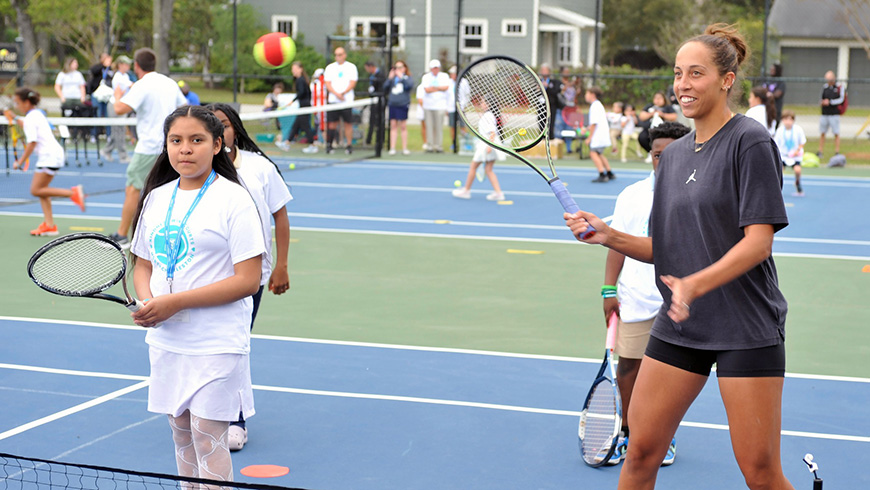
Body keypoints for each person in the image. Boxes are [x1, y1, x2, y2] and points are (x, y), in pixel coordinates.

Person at [565, 23, 794, 490]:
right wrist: (609, 235)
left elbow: (759, 242)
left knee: (760, 472)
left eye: (696, 73)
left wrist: (694, 284)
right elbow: (666, 248)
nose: (683, 84)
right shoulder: (670, 159)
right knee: (640, 453)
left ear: (727, 79)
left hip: (744, 327)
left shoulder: (749, 141)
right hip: (680, 326)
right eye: (677, 73)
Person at [129, 105, 265, 483]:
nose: (185, 149)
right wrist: (148, 301)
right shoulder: (156, 197)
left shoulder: (234, 199)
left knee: (207, 436)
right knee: (181, 434)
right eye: (176, 140)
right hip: (168, 340)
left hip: (216, 340)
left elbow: (248, 280)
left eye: (196, 140)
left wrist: (173, 302)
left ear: (217, 145)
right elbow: (143, 265)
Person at [602, 121, 691, 467]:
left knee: (673, 377)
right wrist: (609, 289)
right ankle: (627, 432)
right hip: (636, 298)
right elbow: (616, 244)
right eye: (656, 155)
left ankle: (663, 436)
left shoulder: (697, 194)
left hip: (678, 303)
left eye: (670, 155)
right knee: (628, 368)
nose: (662, 162)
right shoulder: (632, 195)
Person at [208, 103, 293, 451]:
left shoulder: (259, 167)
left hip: (248, 277)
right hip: (203, 275)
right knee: (207, 346)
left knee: (233, 345)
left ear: (235, 129)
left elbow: (280, 216)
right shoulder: (195, 171)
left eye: (224, 125)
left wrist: (281, 265)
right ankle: (205, 412)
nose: (219, 131)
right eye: (210, 126)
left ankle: (236, 419)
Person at [109, 48, 187, 249]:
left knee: (133, 188)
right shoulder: (169, 83)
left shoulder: (142, 85)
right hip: (170, 146)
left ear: (136, 66)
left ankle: (122, 235)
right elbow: (184, 107)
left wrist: (117, 95)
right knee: (168, 190)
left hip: (149, 147)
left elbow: (119, 109)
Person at [4, 87, 86, 236]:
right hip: (52, 155)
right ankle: (50, 225)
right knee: (42, 190)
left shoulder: (31, 117)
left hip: (49, 156)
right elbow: (26, 125)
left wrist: (20, 161)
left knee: (36, 190)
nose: (16, 106)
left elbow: (32, 143)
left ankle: (72, 193)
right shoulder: (36, 114)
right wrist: (14, 117)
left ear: (26, 102)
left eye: (18, 103)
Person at [451, 95, 506, 201]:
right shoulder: (490, 115)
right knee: (488, 170)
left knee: (473, 167)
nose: (481, 104)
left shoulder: (488, 116)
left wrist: (489, 146)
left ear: (488, 104)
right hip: (489, 144)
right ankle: (498, 193)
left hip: (487, 145)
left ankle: (466, 190)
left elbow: (492, 132)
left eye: (483, 102)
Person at [323, 46, 358, 154]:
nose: (338, 57)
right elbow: (328, 83)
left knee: (348, 124)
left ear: (344, 55)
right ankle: (329, 145)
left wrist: (343, 93)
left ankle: (349, 145)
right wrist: (337, 94)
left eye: (340, 54)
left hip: (346, 101)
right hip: (334, 101)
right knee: (332, 124)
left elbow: (353, 82)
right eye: (336, 55)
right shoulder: (330, 68)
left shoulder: (351, 67)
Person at [101, 55, 134, 163]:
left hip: (122, 105)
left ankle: (107, 150)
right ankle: (123, 156)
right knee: (119, 131)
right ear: (120, 65)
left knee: (118, 130)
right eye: (126, 64)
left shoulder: (126, 76)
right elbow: (132, 86)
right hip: (115, 106)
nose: (128, 66)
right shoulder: (118, 77)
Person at [283, 62, 317, 152]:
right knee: (296, 125)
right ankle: (287, 143)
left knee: (306, 126)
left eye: (295, 69)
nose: (293, 71)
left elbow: (301, 93)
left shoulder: (300, 80)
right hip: (303, 106)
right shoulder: (301, 80)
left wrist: (292, 100)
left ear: (300, 69)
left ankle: (313, 145)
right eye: (292, 69)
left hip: (305, 107)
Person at [383, 60, 414, 155]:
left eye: (400, 67)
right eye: (396, 67)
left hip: (403, 104)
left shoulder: (407, 77)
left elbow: (410, 86)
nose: (398, 69)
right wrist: (389, 78)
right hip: (393, 104)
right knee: (393, 125)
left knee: (403, 126)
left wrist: (402, 77)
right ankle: (392, 148)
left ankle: (404, 148)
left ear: (404, 68)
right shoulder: (392, 79)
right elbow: (384, 87)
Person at [773, 110, 806, 197]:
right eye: (786, 119)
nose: (788, 122)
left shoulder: (798, 130)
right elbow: (776, 144)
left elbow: (802, 142)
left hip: (795, 156)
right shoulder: (780, 131)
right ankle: (777, 187)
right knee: (779, 170)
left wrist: (797, 151)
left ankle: (797, 183)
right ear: (782, 120)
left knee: (797, 170)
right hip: (783, 156)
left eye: (790, 119)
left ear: (793, 120)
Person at [420, 59, 451, 153]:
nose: (435, 70)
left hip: (440, 106)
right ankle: (429, 145)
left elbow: (446, 87)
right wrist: (439, 88)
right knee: (429, 126)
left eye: (437, 68)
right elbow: (427, 89)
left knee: (438, 127)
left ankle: (438, 146)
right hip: (428, 106)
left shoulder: (444, 76)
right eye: (434, 68)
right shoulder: (426, 77)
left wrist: (434, 88)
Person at [585, 87, 615, 183]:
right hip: (602, 133)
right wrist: (587, 128)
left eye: (587, 93)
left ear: (592, 95)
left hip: (598, 135)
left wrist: (589, 138)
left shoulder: (594, 106)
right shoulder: (598, 105)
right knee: (599, 153)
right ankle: (609, 172)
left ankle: (602, 174)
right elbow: (595, 122)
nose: (586, 96)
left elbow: (594, 123)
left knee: (593, 153)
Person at [637, 91, 678, 158]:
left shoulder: (668, 107)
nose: (658, 100)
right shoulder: (650, 106)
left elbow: (674, 116)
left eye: (660, 98)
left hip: (663, 131)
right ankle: (650, 153)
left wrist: (663, 115)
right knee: (642, 137)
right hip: (648, 130)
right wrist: (651, 114)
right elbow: (641, 116)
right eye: (656, 98)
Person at [818, 70, 845, 159]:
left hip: (834, 114)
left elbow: (841, 99)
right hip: (825, 113)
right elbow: (821, 98)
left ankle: (837, 152)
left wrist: (830, 102)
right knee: (822, 132)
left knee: (836, 133)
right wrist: (822, 102)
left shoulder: (839, 88)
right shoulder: (825, 87)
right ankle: (820, 151)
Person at [364, 60, 386, 147]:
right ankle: (369, 140)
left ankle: (380, 140)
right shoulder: (371, 75)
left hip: (379, 101)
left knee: (380, 121)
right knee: (372, 120)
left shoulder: (381, 75)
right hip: (373, 101)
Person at [538, 64, 562, 139]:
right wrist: (538, 88)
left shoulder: (554, 82)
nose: (544, 72)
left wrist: (547, 86)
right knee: (541, 123)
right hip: (541, 106)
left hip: (551, 105)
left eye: (545, 70)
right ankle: (541, 138)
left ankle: (550, 138)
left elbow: (556, 91)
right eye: (542, 70)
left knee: (550, 123)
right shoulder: (538, 81)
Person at [765, 63, 786, 128]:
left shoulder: (781, 81)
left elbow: (778, 93)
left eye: (773, 69)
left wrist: (770, 95)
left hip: (776, 106)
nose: (771, 71)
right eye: (770, 69)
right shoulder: (768, 80)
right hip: (768, 106)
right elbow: (764, 90)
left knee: (775, 124)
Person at [416, 83, 427, 151]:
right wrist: (426, 109)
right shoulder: (420, 87)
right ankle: (425, 143)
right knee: (424, 126)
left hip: (431, 109)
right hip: (423, 110)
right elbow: (420, 100)